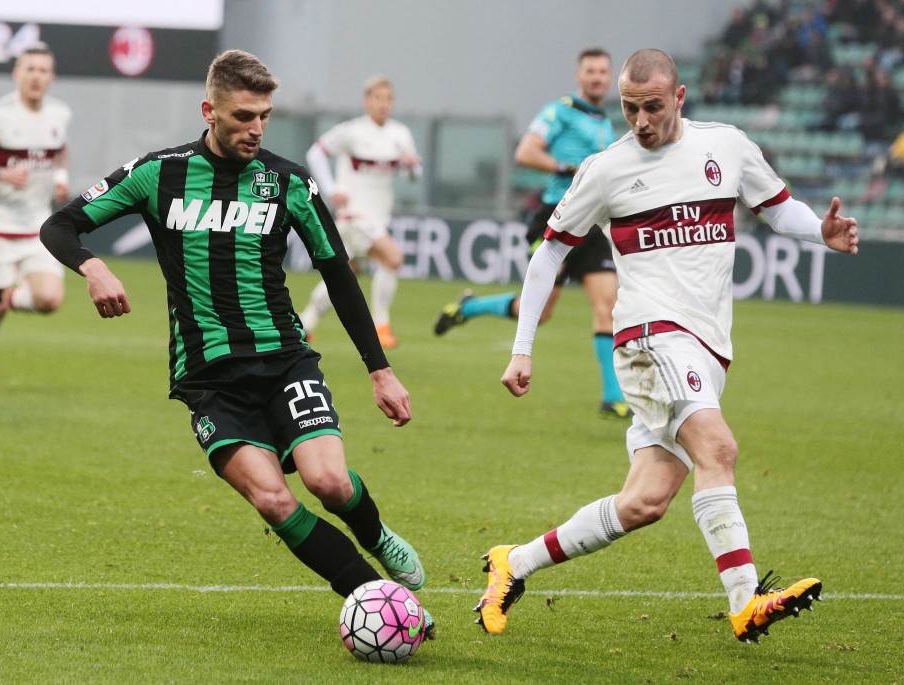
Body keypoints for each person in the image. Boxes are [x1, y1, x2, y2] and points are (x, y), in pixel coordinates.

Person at [39, 50, 434, 637]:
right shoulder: (160, 173)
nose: (255, 128)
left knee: (329, 482)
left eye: (265, 116)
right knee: (274, 500)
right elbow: (60, 225)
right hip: (208, 378)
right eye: (244, 115)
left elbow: (338, 275)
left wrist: (380, 370)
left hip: (284, 360)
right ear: (210, 110)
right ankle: (383, 603)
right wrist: (93, 268)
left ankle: (374, 533)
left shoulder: (288, 181)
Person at [476, 48, 859, 644]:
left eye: (652, 106)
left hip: (706, 347)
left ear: (678, 98)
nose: (641, 120)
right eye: (630, 108)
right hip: (649, 337)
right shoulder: (605, 169)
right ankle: (745, 601)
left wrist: (821, 231)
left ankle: (514, 563)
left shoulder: (726, 147)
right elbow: (551, 251)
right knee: (720, 447)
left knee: (645, 502)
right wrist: (522, 347)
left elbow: (780, 210)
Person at [434, 47, 629, 418]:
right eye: (591, 71)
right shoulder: (561, 111)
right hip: (558, 215)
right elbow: (525, 151)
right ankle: (470, 307)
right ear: (579, 75)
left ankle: (611, 396)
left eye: (603, 72)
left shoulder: (604, 122)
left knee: (608, 305)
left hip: (593, 223)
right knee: (538, 311)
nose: (598, 78)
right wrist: (566, 166)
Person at [297, 75, 420, 350]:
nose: (383, 104)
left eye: (388, 99)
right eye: (377, 98)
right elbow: (315, 153)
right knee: (393, 258)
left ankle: (305, 324)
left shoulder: (400, 135)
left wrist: (412, 167)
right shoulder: (352, 131)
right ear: (367, 101)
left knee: (345, 275)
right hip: (353, 216)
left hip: (377, 219)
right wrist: (328, 189)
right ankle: (381, 325)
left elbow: (415, 175)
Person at [0, 43, 71, 401]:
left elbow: (60, 149)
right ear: (16, 73)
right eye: (30, 69)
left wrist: (61, 176)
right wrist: (1, 175)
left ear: (51, 77)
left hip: (38, 227)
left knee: (49, 299)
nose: (36, 76)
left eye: (43, 70)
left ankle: (7, 295)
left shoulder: (59, 114)